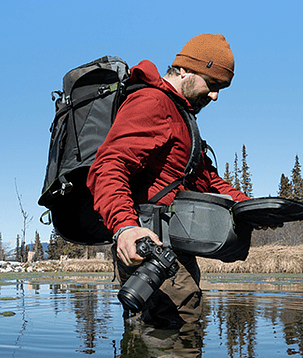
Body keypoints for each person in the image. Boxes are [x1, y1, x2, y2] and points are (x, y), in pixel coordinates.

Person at [87, 34, 249, 327]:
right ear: (186, 69)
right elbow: (108, 166)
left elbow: (205, 178)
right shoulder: (152, 102)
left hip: (173, 249)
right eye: (212, 84)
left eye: (221, 88)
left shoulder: (180, 114)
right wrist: (125, 227)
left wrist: (250, 208)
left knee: (157, 341)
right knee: (175, 341)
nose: (215, 96)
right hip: (152, 248)